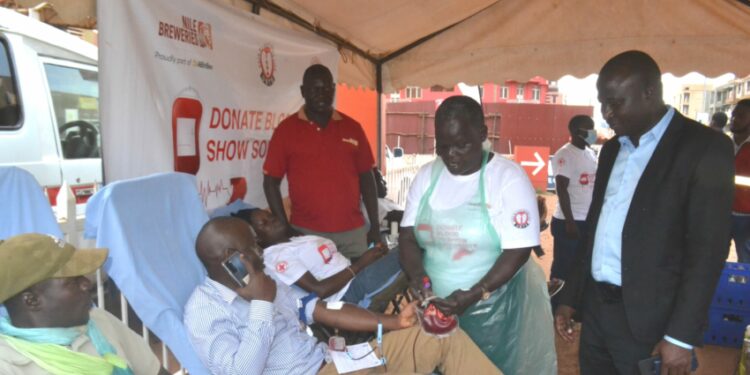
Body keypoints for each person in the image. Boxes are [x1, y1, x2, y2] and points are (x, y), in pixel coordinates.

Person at [554, 50, 734, 375]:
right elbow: (595, 229)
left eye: (616, 102)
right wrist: (572, 296)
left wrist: (680, 337)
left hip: (653, 322)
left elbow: (708, 252)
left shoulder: (704, 147)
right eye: (602, 102)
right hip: (596, 312)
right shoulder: (611, 150)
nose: (606, 113)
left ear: (649, 92)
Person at [183, 217, 502, 375]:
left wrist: (395, 321)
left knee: (439, 331)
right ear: (230, 257)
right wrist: (262, 306)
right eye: (252, 245)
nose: (260, 250)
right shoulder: (203, 310)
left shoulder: (267, 279)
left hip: (333, 363)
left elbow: (322, 310)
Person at [399, 95, 556, 374]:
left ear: (483, 134)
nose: (451, 155)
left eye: (461, 145)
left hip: (492, 312)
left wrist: (476, 293)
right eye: (443, 146)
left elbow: (518, 251)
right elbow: (408, 237)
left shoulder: (507, 179)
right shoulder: (426, 177)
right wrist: (419, 279)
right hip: (435, 307)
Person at [0, 233, 167, 374]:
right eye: (73, 281)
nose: (86, 283)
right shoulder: (9, 365)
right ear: (32, 300)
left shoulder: (99, 320)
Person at [263, 64, 380, 259]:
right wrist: (285, 228)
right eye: (314, 89)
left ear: (333, 89)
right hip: (307, 234)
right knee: (318, 289)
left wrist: (375, 226)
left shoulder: (353, 128)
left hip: (353, 234)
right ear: (303, 91)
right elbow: (270, 183)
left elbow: (367, 179)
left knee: (360, 286)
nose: (321, 94)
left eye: (326, 88)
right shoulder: (286, 131)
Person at [233, 208, 402, 308]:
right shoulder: (276, 256)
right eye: (264, 223)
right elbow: (318, 290)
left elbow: (333, 263)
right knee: (411, 249)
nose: (273, 221)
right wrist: (360, 265)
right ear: (256, 238)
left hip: (357, 277)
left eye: (270, 216)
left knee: (410, 250)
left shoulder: (295, 240)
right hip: (349, 294)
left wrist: (370, 256)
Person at [549, 115, 598, 298]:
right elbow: (561, 189)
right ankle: (554, 308)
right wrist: (570, 222)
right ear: (577, 132)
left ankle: (573, 308)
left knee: (582, 267)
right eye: (589, 128)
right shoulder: (565, 155)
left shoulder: (590, 153)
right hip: (568, 222)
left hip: (586, 220)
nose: (593, 132)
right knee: (563, 269)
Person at [730, 99, 750, 263]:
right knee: (713, 258)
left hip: (747, 217)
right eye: (733, 115)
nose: (734, 119)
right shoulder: (723, 144)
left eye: (741, 116)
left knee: (746, 261)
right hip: (722, 212)